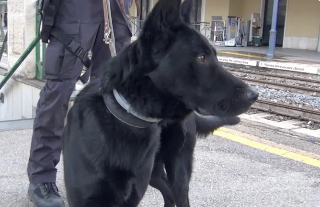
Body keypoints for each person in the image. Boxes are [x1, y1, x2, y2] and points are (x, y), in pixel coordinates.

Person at [26, 0, 133, 206]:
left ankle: (101, 177)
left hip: (116, 6)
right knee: (59, 88)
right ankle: (42, 177)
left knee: (110, 92)